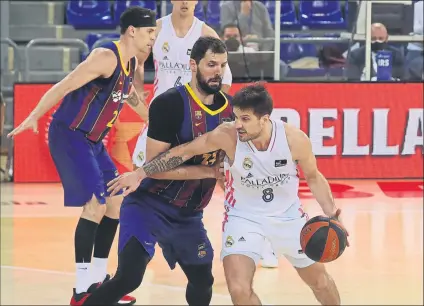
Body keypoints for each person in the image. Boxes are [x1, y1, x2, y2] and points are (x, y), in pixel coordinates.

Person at [109, 83, 350, 306]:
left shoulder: (294, 139)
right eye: (236, 117)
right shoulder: (227, 135)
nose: (238, 124)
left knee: (320, 282)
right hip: (243, 218)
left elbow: (314, 177)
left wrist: (333, 215)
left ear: (264, 119)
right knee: (238, 290)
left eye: (245, 119)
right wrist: (140, 173)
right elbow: (182, 152)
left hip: (288, 217)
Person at [7, 7, 157, 306]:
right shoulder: (105, 57)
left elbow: (134, 102)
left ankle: (99, 282)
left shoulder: (132, 62)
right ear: (132, 31)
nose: (153, 37)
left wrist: (164, 123)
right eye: (150, 32)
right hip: (70, 135)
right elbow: (63, 86)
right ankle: (80, 290)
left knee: (115, 201)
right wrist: (34, 114)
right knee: (95, 205)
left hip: (93, 141)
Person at [81, 36, 233, 306]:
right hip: (148, 205)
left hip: (189, 215)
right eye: (211, 64)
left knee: (202, 280)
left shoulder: (231, 111)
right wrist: (209, 172)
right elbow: (155, 168)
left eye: (222, 64)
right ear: (193, 64)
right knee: (128, 278)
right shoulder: (169, 103)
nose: (217, 71)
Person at [131, 0, 232, 169]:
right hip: (161, 110)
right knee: (140, 166)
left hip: (191, 113)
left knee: (193, 170)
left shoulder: (206, 34)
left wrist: (209, 112)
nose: (185, 2)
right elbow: (137, 62)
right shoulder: (157, 28)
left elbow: (225, 78)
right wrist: (139, 89)